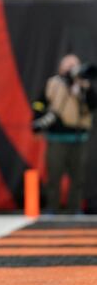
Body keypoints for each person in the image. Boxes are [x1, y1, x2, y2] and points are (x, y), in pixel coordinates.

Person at [33, 54, 96, 213]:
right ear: (61, 67)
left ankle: (75, 209)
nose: (71, 68)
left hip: (79, 138)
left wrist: (85, 89)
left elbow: (93, 106)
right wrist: (37, 119)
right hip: (57, 138)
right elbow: (39, 103)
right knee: (54, 176)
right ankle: (52, 208)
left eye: (75, 64)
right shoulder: (53, 83)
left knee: (78, 178)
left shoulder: (84, 85)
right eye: (68, 64)